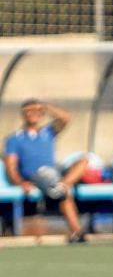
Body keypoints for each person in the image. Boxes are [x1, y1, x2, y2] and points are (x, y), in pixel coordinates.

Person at [3, 99, 88, 243]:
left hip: (55, 171)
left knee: (83, 160)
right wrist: (21, 182)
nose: (32, 114)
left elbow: (66, 118)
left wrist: (46, 106)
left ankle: (62, 185)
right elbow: (10, 166)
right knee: (63, 195)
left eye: (36, 111)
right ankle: (78, 232)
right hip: (38, 173)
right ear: (23, 114)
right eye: (28, 111)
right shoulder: (15, 139)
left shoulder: (48, 132)